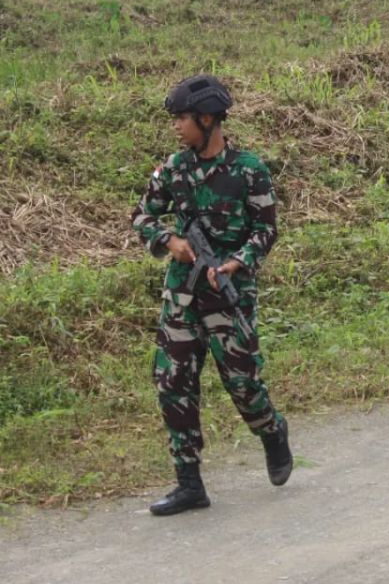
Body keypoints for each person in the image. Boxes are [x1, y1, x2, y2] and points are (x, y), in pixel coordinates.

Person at [131, 74, 292, 516]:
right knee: (173, 384)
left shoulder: (248, 170)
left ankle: (272, 431)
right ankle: (189, 483)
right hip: (182, 298)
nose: (176, 126)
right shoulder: (174, 168)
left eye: (183, 118)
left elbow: (266, 229)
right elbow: (142, 214)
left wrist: (239, 260)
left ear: (207, 119)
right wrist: (169, 241)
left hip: (228, 295)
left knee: (243, 385)